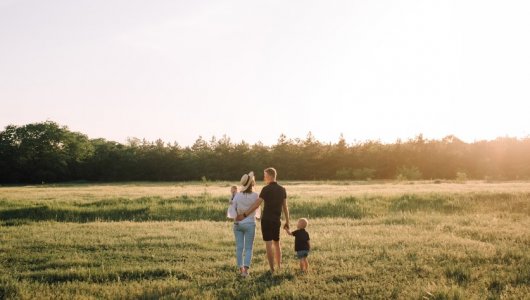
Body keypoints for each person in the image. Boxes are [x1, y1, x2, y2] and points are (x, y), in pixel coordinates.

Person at [236, 167, 290, 273]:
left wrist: (245, 214)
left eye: (265, 176)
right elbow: (285, 207)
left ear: (270, 176)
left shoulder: (266, 189)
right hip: (276, 220)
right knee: (277, 243)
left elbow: (257, 204)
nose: (264, 178)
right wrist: (287, 221)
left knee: (269, 244)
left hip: (266, 220)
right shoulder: (282, 189)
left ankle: (272, 269)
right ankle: (279, 266)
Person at [230, 172, 259, 277]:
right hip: (250, 224)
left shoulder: (237, 196)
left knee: (239, 247)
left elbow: (232, 210)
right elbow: (258, 211)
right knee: (248, 248)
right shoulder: (256, 195)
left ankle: (240, 269)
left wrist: (236, 218)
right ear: (252, 183)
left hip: (237, 224)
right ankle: (245, 271)